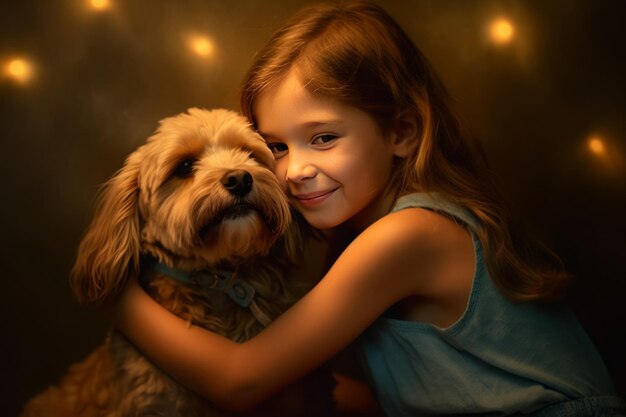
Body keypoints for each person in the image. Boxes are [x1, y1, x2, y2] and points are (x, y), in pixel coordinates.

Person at [106, 2, 625, 415]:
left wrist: (119, 300)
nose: (293, 171)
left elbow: (241, 381)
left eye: (324, 138)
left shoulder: (408, 235)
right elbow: (377, 397)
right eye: (278, 147)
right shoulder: (363, 235)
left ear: (401, 132)